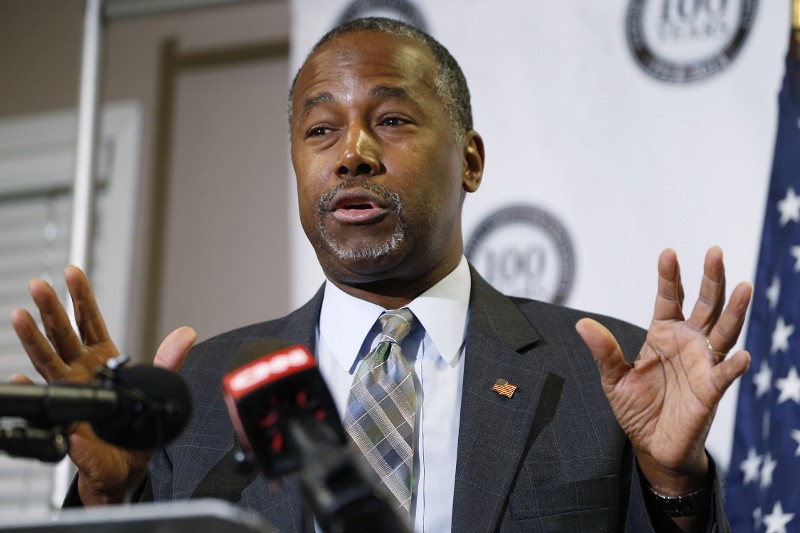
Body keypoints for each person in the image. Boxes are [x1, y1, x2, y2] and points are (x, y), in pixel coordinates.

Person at [10, 17, 752, 532]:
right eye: (320, 128)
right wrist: (109, 499)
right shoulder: (201, 394)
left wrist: (674, 484)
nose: (352, 153)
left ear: (470, 159)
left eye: (391, 120)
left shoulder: (602, 380)